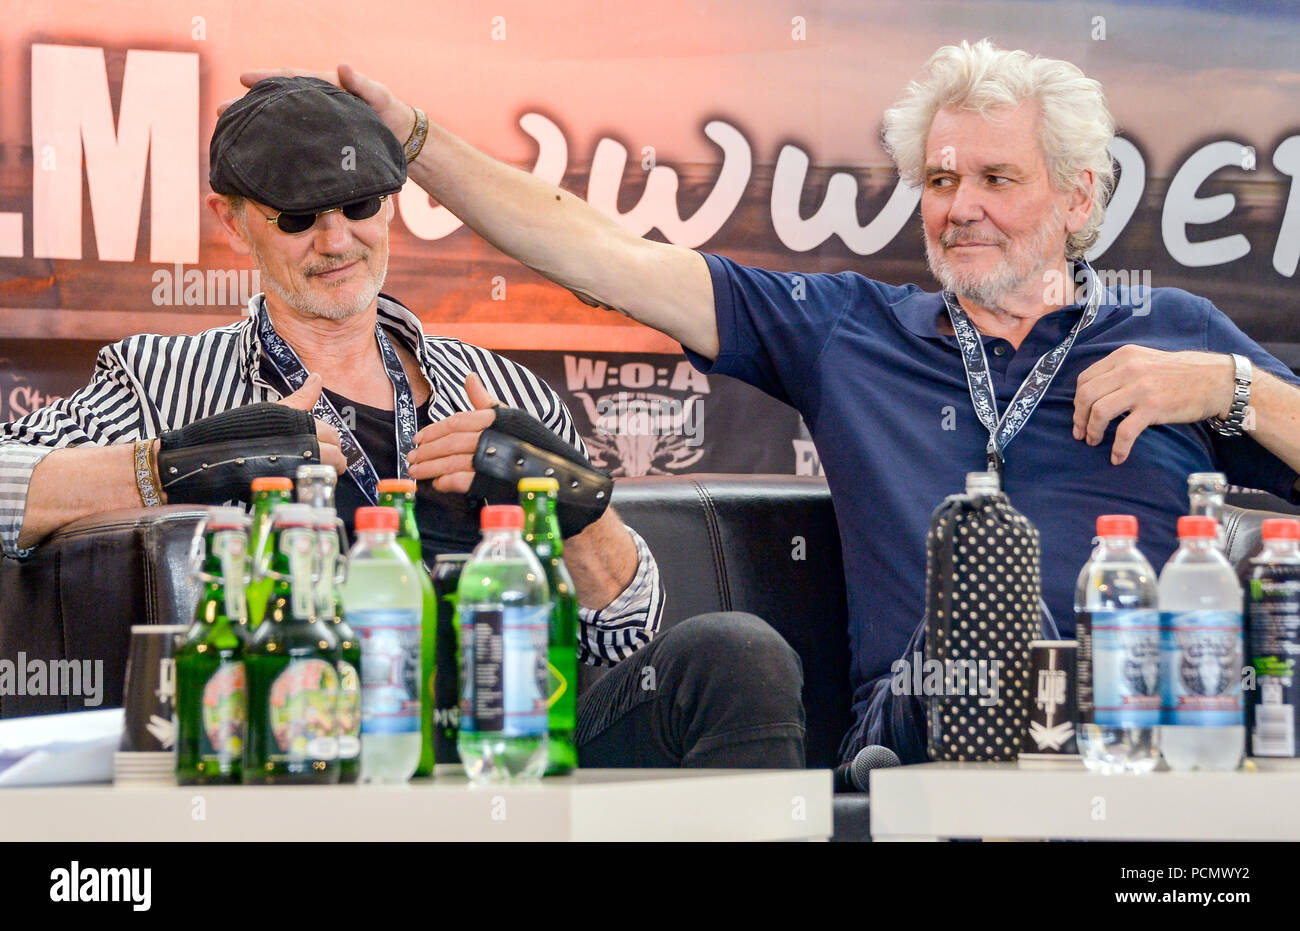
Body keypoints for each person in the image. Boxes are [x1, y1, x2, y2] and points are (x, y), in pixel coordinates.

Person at [235, 39, 1300, 763]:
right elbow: (604, 255)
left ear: (1075, 198)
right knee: (979, 664)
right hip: (927, 723)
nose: (960, 208)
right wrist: (417, 142)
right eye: (938, 182)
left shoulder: (1175, 335)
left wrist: (1231, 388)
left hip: (1156, 719)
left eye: (995, 179)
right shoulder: (851, 330)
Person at [0, 77, 805, 768]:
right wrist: (164, 464)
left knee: (736, 654)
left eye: (359, 205)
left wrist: (579, 507)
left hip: (502, 750)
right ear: (233, 218)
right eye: (297, 217)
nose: (336, 239)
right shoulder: (160, 379)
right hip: (297, 752)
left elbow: (628, 637)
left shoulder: (498, 387)